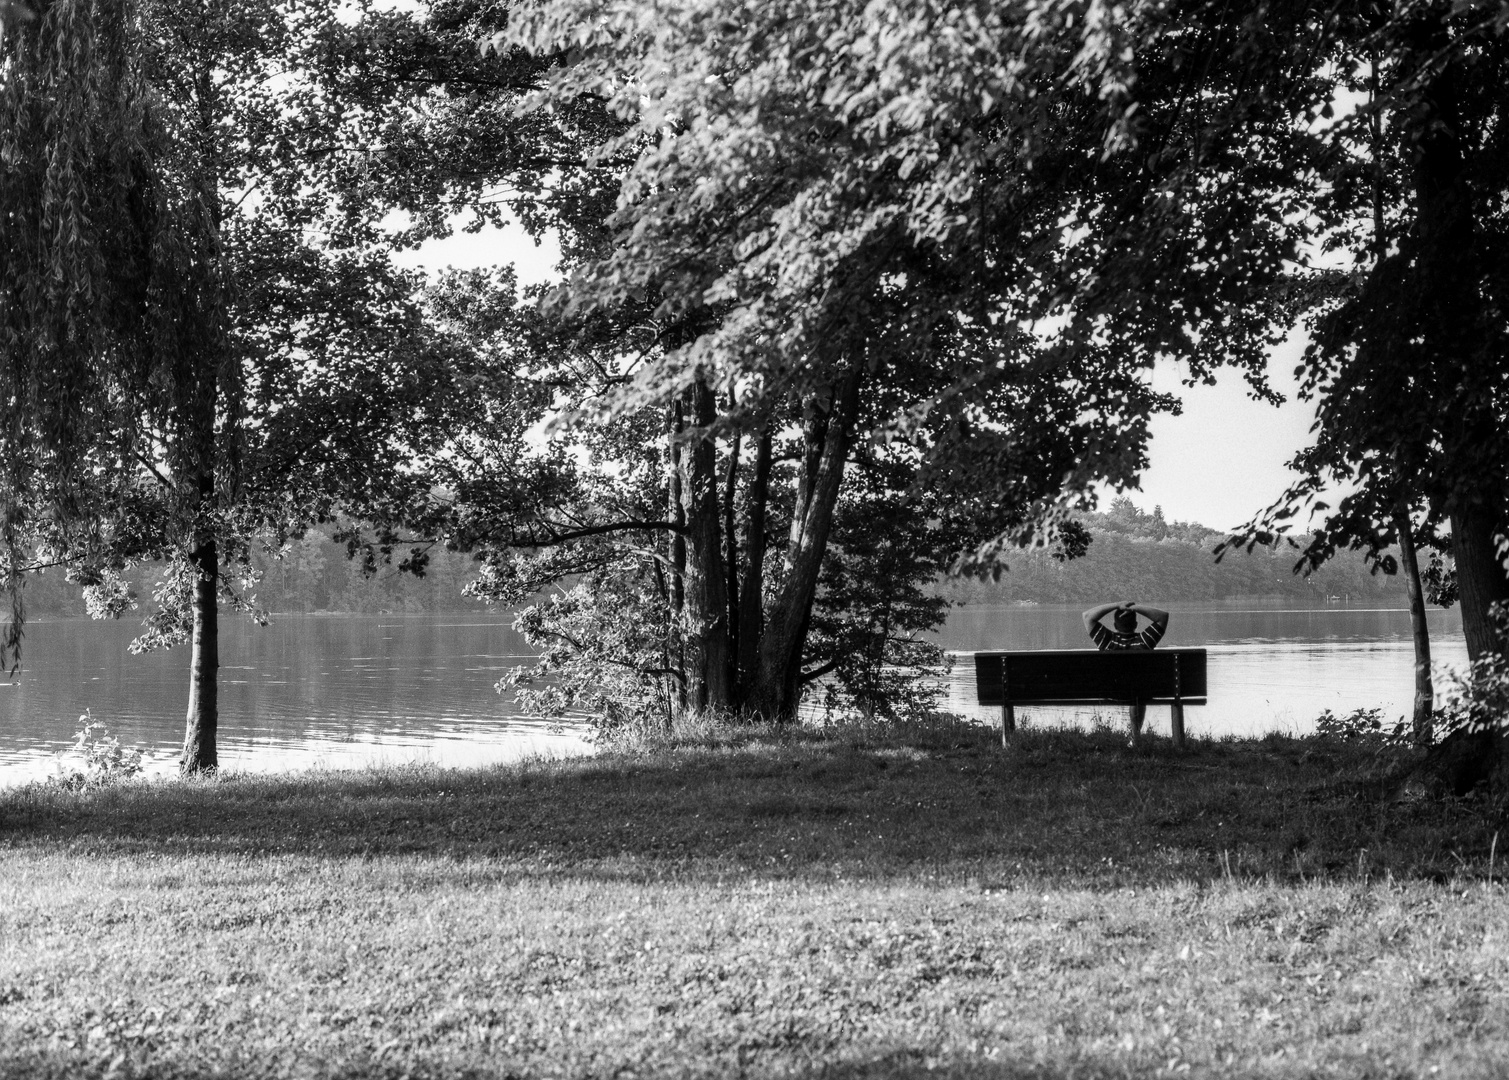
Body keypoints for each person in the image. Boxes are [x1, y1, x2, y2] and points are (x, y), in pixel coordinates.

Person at [1082, 600, 1169, 651]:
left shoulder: (1108, 642)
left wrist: (1117, 605)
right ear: (1135, 625)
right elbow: (1163, 617)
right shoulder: (1144, 642)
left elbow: (1087, 617)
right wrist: (1133, 607)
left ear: (1115, 625)